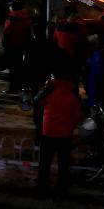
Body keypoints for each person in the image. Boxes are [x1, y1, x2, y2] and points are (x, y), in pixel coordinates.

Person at [34, 67, 82, 196]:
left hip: (48, 132)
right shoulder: (72, 93)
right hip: (65, 134)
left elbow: (37, 101)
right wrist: (71, 126)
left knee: (44, 162)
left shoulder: (49, 89)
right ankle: (60, 189)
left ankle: (42, 187)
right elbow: (77, 115)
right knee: (63, 163)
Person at [2, 0, 32, 97]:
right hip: (23, 45)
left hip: (13, 46)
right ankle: (22, 87)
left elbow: (7, 33)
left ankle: (13, 88)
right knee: (20, 67)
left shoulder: (12, 18)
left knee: (13, 68)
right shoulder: (26, 17)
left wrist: (4, 45)